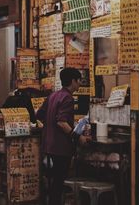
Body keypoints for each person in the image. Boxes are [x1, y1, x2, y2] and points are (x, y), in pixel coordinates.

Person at [36, 67, 90, 205]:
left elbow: (39, 115)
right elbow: (61, 122)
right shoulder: (68, 98)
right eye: (79, 81)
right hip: (60, 148)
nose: (80, 84)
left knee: (52, 183)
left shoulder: (53, 95)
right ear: (73, 81)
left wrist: (48, 126)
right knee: (58, 184)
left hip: (47, 146)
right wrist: (78, 137)